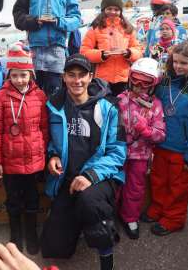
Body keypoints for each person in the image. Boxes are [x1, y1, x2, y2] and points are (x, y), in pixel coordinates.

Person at [40, 54, 126, 270]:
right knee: (54, 248)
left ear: (91, 77)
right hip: (67, 180)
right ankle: (79, 221)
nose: (76, 81)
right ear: (63, 77)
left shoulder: (109, 107)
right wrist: (52, 156)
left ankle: (106, 256)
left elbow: (118, 152)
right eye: (71, 75)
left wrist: (90, 176)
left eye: (82, 75)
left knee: (89, 202)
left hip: (98, 177)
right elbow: (50, 141)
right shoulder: (54, 106)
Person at [143, 41, 188, 236]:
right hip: (161, 144)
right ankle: (158, 208)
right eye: (175, 62)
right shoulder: (164, 84)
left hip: (182, 150)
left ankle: (174, 218)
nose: (178, 67)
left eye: (184, 63)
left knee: (178, 186)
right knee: (158, 180)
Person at [0, 43, 49, 254]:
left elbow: (44, 128)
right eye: (14, 75)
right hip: (10, 161)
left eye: (24, 75)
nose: (19, 80)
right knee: (13, 199)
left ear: (30, 74)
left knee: (32, 198)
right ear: (9, 75)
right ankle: (15, 236)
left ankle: (31, 233)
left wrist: (45, 153)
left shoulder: (39, 96)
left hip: (33, 159)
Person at [12, 0, 82, 96]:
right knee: (33, 91)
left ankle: (53, 118)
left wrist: (58, 21)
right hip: (34, 49)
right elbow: (18, 17)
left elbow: (76, 18)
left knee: (55, 92)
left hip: (57, 49)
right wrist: (34, 21)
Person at [117, 58, 165, 239]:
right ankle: (109, 215)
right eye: (135, 81)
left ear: (153, 85)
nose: (138, 87)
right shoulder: (120, 100)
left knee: (135, 188)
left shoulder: (156, 105)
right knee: (114, 184)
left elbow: (160, 135)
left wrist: (145, 130)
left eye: (145, 84)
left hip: (140, 155)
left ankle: (130, 217)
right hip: (119, 152)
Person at [80, 0, 142, 95]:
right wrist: (101, 55)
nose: (113, 12)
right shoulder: (95, 29)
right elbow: (84, 52)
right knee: (103, 107)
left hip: (123, 79)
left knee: (121, 107)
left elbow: (138, 51)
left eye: (116, 9)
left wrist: (129, 53)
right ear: (103, 9)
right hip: (102, 79)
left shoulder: (128, 29)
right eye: (109, 8)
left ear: (121, 11)